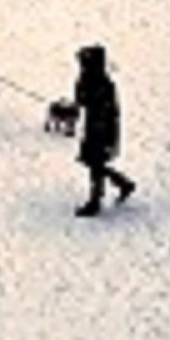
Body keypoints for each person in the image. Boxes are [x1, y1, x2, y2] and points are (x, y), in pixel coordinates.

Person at [71, 45, 137, 216]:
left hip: (102, 131)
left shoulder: (104, 85)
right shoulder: (90, 79)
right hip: (93, 127)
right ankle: (123, 184)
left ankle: (95, 202)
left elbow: (99, 107)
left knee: (95, 165)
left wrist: (108, 136)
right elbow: (81, 99)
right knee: (92, 163)